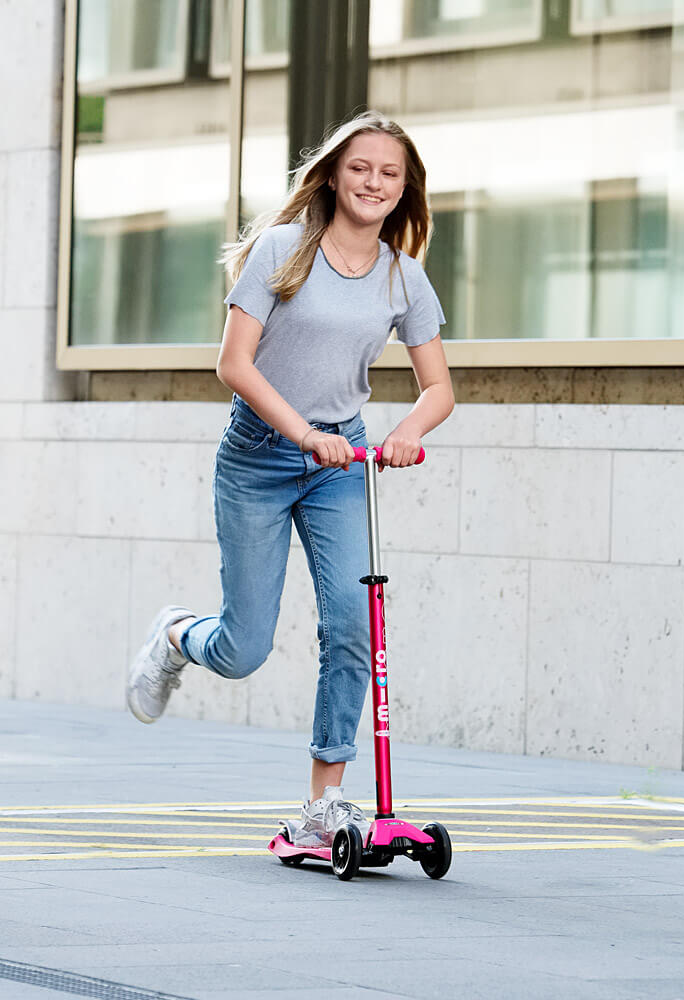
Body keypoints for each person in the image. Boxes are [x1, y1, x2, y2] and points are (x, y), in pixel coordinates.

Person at [125, 112, 454, 847]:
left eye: (389, 173)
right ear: (335, 174)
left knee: (351, 626)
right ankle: (178, 635)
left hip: (343, 461)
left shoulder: (404, 276)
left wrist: (405, 433)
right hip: (259, 458)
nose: (373, 182)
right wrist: (300, 433)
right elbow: (233, 363)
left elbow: (440, 389)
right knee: (244, 650)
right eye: (361, 167)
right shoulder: (282, 251)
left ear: (405, 190)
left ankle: (323, 804)